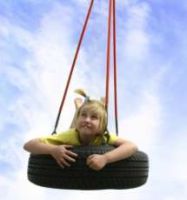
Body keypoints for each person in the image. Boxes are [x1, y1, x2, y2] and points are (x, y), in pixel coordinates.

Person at [23, 90, 138, 171]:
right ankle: (79, 108)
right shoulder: (68, 136)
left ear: (101, 128)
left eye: (93, 117)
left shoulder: (103, 136)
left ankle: (90, 107)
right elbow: (28, 145)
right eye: (84, 115)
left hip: (88, 129)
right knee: (75, 126)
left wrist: (106, 158)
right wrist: (53, 150)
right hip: (74, 133)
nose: (88, 120)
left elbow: (132, 146)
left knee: (82, 122)